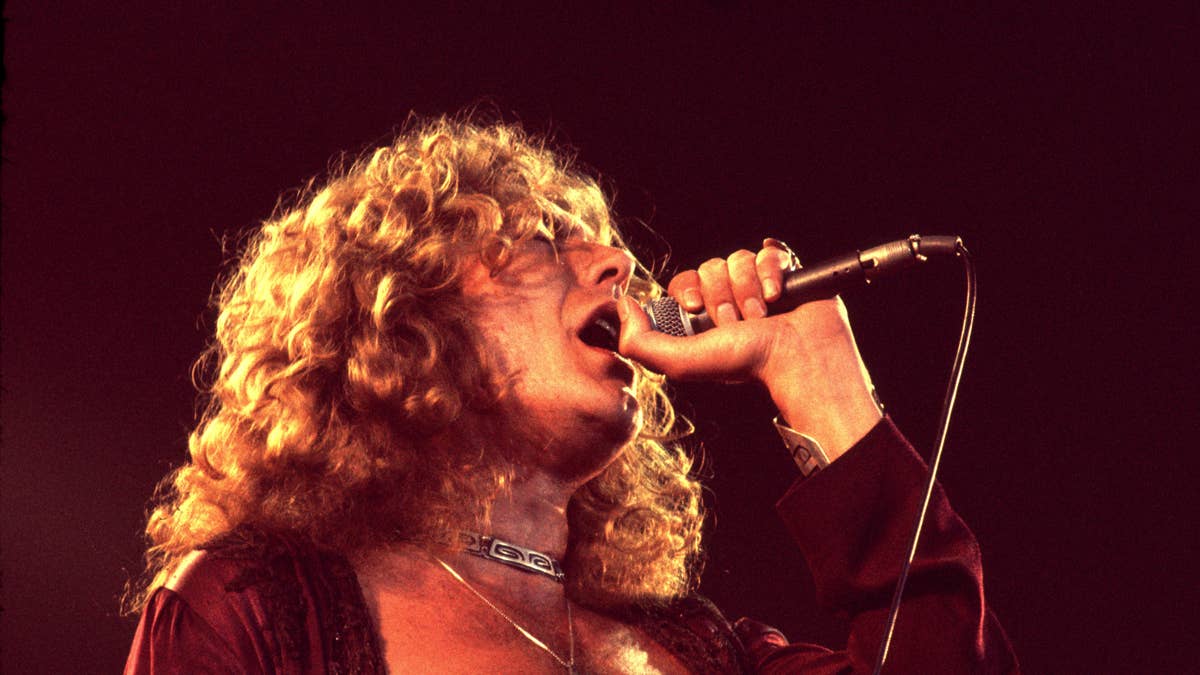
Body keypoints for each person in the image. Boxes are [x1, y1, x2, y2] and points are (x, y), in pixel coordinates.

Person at [124, 116, 1017, 673]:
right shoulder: (255, 611)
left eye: (601, 242)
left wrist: (822, 382)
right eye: (546, 239)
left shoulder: (710, 652)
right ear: (406, 311)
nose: (618, 262)